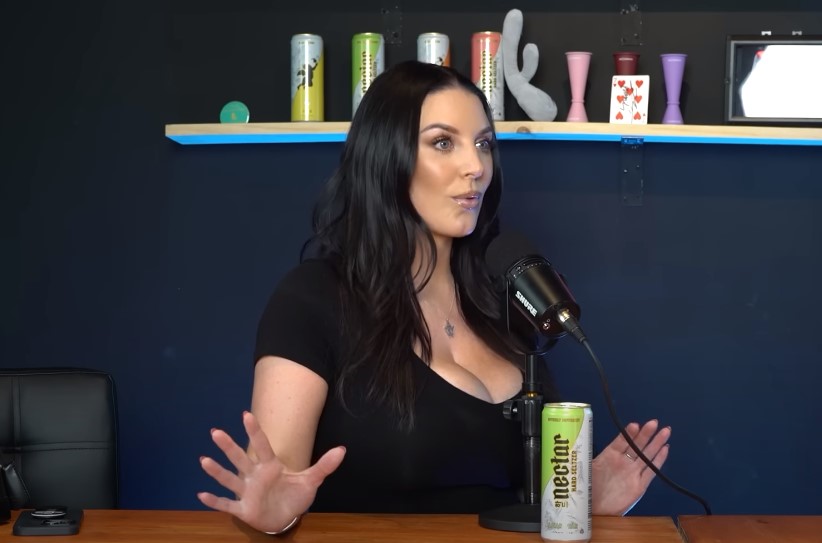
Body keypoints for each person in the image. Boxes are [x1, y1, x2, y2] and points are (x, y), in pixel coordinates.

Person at [197, 60, 671, 534]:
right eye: (443, 142)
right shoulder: (314, 298)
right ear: (386, 157)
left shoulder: (499, 302)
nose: (476, 167)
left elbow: (521, 498)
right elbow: (278, 482)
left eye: (483, 144)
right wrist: (274, 518)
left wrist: (581, 495)